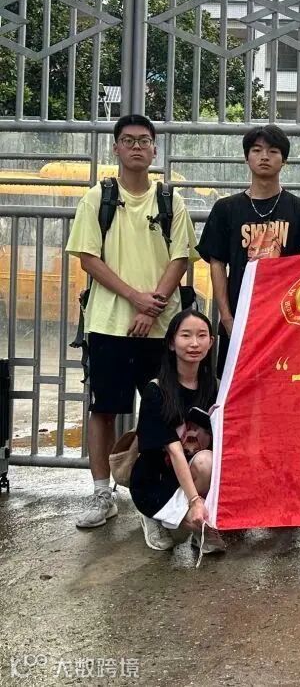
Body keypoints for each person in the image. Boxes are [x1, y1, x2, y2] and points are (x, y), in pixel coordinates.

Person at [66, 114, 197, 530]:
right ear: (116, 148)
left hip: (162, 329)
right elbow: (89, 258)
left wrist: (149, 308)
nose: (137, 147)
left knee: (165, 412)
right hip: (109, 324)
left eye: (144, 140)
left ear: (155, 149)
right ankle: (102, 493)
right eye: (128, 140)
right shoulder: (97, 199)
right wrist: (135, 299)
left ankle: (160, 495)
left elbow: (180, 258)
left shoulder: (171, 201)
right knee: (104, 408)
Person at [197, 125, 300, 376]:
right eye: (256, 150)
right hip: (239, 316)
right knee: (235, 385)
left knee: (281, 386)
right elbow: (217, 263)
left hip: (285, 323)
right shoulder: (226, 209)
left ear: (284, 160)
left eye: (273, 151)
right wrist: (227, 317)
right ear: (246, 157)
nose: (264, 156)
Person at [130, 309, 224, 553]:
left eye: (202, 335)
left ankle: (197, 522)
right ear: (171, 342)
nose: (194, 343)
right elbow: (174, 452)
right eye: (186, 335)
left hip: (194, 473)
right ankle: (152, 515)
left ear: (211, 342)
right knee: (196, 522)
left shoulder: (216, 388)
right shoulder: (156, 391)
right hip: (157, 481)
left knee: (207, 461)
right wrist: (194, 501)